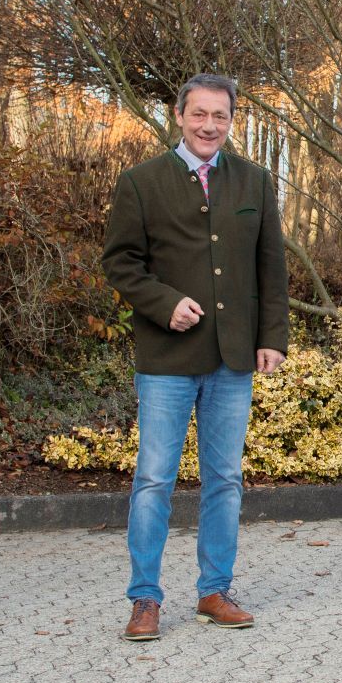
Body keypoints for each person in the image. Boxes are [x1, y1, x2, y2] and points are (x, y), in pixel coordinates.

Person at [102, 74, 289, 640]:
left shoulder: (254, 182)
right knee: (155, 479)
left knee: (225, 478)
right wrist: (164, 304)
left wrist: (272, 337)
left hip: (233, 360)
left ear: (232, 121)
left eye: (221, 116)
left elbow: (270, 268)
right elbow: (121, 264)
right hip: (166, 358)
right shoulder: (140, 183)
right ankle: (145, 599)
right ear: (179, 116)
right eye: (200, 114)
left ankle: (214, 590)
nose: (210, 125)